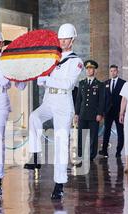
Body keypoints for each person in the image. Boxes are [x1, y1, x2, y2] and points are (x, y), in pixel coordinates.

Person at [24, 23, 83, 200]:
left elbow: (67, 84)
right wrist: (40, 79)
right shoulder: (52, 57)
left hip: (63, 103)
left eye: (66, 39)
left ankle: (59, 184)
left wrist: (47, 80)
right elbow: (42, 77)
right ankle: (35, 155)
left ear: (72, 40)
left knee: (60, 141)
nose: (63, 42)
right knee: (34, 117)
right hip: (49, 100)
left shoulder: (76, 62)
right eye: (61, 39)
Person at [0, 30, 27, 197]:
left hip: (0, 101)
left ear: (2, 44)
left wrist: (22, 73)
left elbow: (21, 86)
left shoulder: (9, 62)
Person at [74, 60, 105, 162]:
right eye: (87, 68)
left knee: (93, 136)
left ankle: (91, 155)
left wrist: (100, 113)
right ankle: (80, 154)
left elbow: (101, 101)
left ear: (94, 70)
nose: (88, 70)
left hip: (94, 114)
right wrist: (76, 113)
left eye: (91, 68)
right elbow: (79, 100)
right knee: (81, 135)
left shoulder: (99, 84)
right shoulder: (82, 83)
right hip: (83, 114)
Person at [99, 64, 126, 158]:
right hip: (108, 112)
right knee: (106, 131)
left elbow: (125, 98)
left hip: (119, 112)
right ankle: (104, 151)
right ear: (109, 72)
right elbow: (103, 98)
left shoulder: (123, 83)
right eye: (111, 71)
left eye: (114, 71)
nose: (113, 72)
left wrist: (123, 111)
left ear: (117, 71)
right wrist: (102, 112)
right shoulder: (105, 83)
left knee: (120, 132)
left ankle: (118, 151)